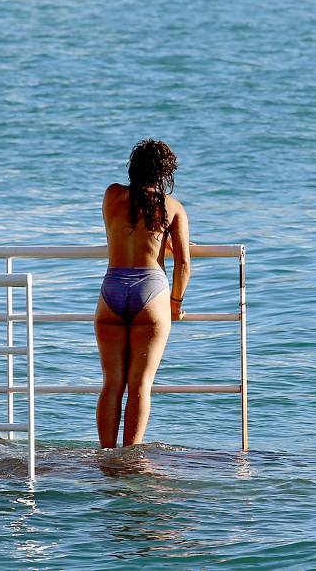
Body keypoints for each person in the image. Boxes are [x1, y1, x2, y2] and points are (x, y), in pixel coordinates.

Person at [95, 140, 191, 448]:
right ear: (165, 173)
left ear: (133, 167)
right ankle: (131, 458)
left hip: (111, 288)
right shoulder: (172, 207)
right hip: (151, 290)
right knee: (140, 384)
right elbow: (184, 264)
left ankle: (106, 456)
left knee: (112, 384)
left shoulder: (112, 195)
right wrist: (175, 303)